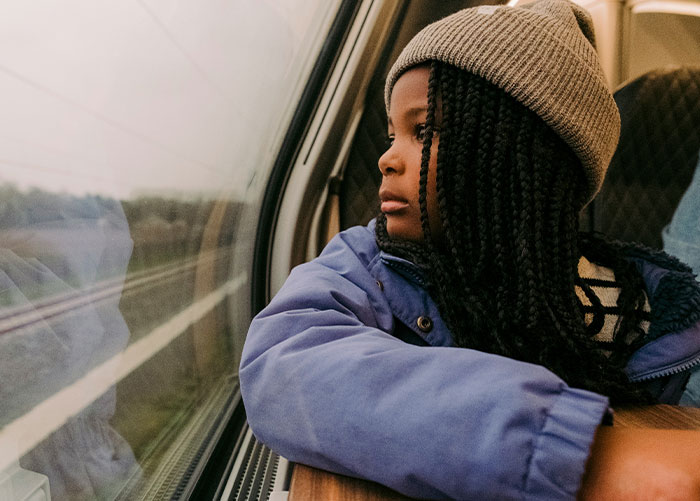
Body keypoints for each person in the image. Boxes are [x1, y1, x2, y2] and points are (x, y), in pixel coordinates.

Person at [240, 0, 700, 499]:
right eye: (393, 132)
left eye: (424, 131)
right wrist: (575, 452)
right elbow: (284, 363)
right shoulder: (367, 265)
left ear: (525, 162)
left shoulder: (640, 306)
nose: (386, 156)